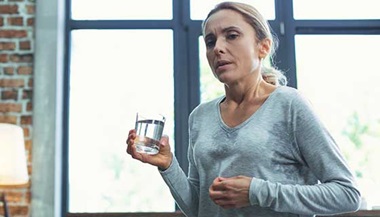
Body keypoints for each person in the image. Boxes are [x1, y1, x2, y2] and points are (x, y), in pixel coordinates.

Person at [126, 2, 361, 216]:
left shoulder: (290, 106)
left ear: (263, 47)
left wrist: (256, 191)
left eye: (232, 36)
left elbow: (347, 194)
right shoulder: (200, 117)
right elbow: (199, 208)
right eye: (210, 41)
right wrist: (168, 165)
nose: (218, 48)